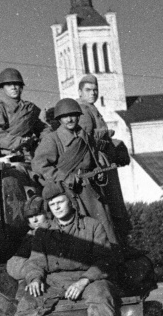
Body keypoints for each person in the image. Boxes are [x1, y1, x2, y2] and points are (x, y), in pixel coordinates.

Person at [0, 181, 121, 316]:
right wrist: (35, 278)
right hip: (54, 281)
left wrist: (83, 281)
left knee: (101, 292)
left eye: (60, 202)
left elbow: (104, 260)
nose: (57, 207)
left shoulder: (92, 226)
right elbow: (36, 262)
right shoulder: (44, 233)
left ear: (70, 201)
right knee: (29, 299)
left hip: (86, 278)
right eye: (52, 205)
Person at [31, 98, 120, 247]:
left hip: (91, 191)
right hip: (67, 193)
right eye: (65, 116)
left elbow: (93, 160)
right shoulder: (52, 139)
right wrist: (65, 177)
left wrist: (98, 172)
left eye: (73, 115)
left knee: (105, 228)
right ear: (59, 119)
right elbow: (39, 165)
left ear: (79, 116)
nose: (70, 119)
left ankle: (110, 257)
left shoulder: (85, 136)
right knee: (78, 232)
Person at [75, 74, 132, 247]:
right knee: (108, 207)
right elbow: (85, 138)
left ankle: (119, 243)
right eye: (88, 90)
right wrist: (107, 137)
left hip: (105, 162)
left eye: (95, 90)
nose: (92, 93)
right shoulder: (83, 110)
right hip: (98, 164)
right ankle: (113, 245)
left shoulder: (91, 108)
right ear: (80, 91)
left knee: (113, 206)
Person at [0, 68, 50, 161]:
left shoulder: (28, 109)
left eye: (16, 84)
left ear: (21, 87)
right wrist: (19, 142)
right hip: (6, 155)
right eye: (8, 85)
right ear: (2, 87)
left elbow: (42, 128)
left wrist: (48, 140)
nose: (13, 87)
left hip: (29, 154)